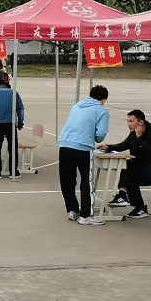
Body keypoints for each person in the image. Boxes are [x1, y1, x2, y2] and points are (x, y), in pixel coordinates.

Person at [99, 110, 151, 219]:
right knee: (128, 168)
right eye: (127, 121)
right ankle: (128, 200)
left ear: (141, 122)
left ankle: (129, 200)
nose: (128, 124)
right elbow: (124, 145)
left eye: (131, 121)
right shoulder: (134, 132)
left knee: (130, 173)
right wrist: (108, 147)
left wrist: (139, 138)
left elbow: (150, 151)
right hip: (147, 168)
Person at [58, 85, 110, 226]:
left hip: (65, 143)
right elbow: (100, 135)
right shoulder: (101, 111)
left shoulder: (77, 106)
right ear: (103, 100)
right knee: (87, 181)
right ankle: (86, 215)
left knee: (67, 180)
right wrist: (93, 136)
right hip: (83, 147)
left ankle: (73, 210)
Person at [0, 80, 25, 178]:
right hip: (11, 123)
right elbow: (20, 109)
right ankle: (13, 171)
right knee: (13, 148)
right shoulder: (14, 93)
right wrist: (20, 123)